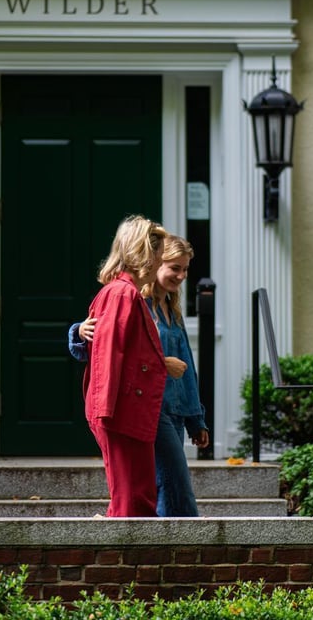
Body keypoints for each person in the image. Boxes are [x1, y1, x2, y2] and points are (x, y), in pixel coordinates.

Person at [70, 234, 210, 517]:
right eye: (174, 267)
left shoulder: (173, 311)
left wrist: (197, 419)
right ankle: (187, 546)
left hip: (176, 411)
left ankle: (166, 552)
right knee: (176, 487)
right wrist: (77, 332)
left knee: (164, 487)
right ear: (156, 263)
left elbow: (187, 370)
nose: (181, 276)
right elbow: (109, 349)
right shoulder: (133, 301)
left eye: (185, 269)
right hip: (149, 408)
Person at [81, 215, 168, 517]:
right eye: (159, 254)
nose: (161, 262)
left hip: (127, 412)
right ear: (145, 252)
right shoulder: (122, 293)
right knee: (132, 502)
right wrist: (106, 411)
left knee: (138, 498)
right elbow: (109, 352)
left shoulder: (127, 293)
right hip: (121, 413)